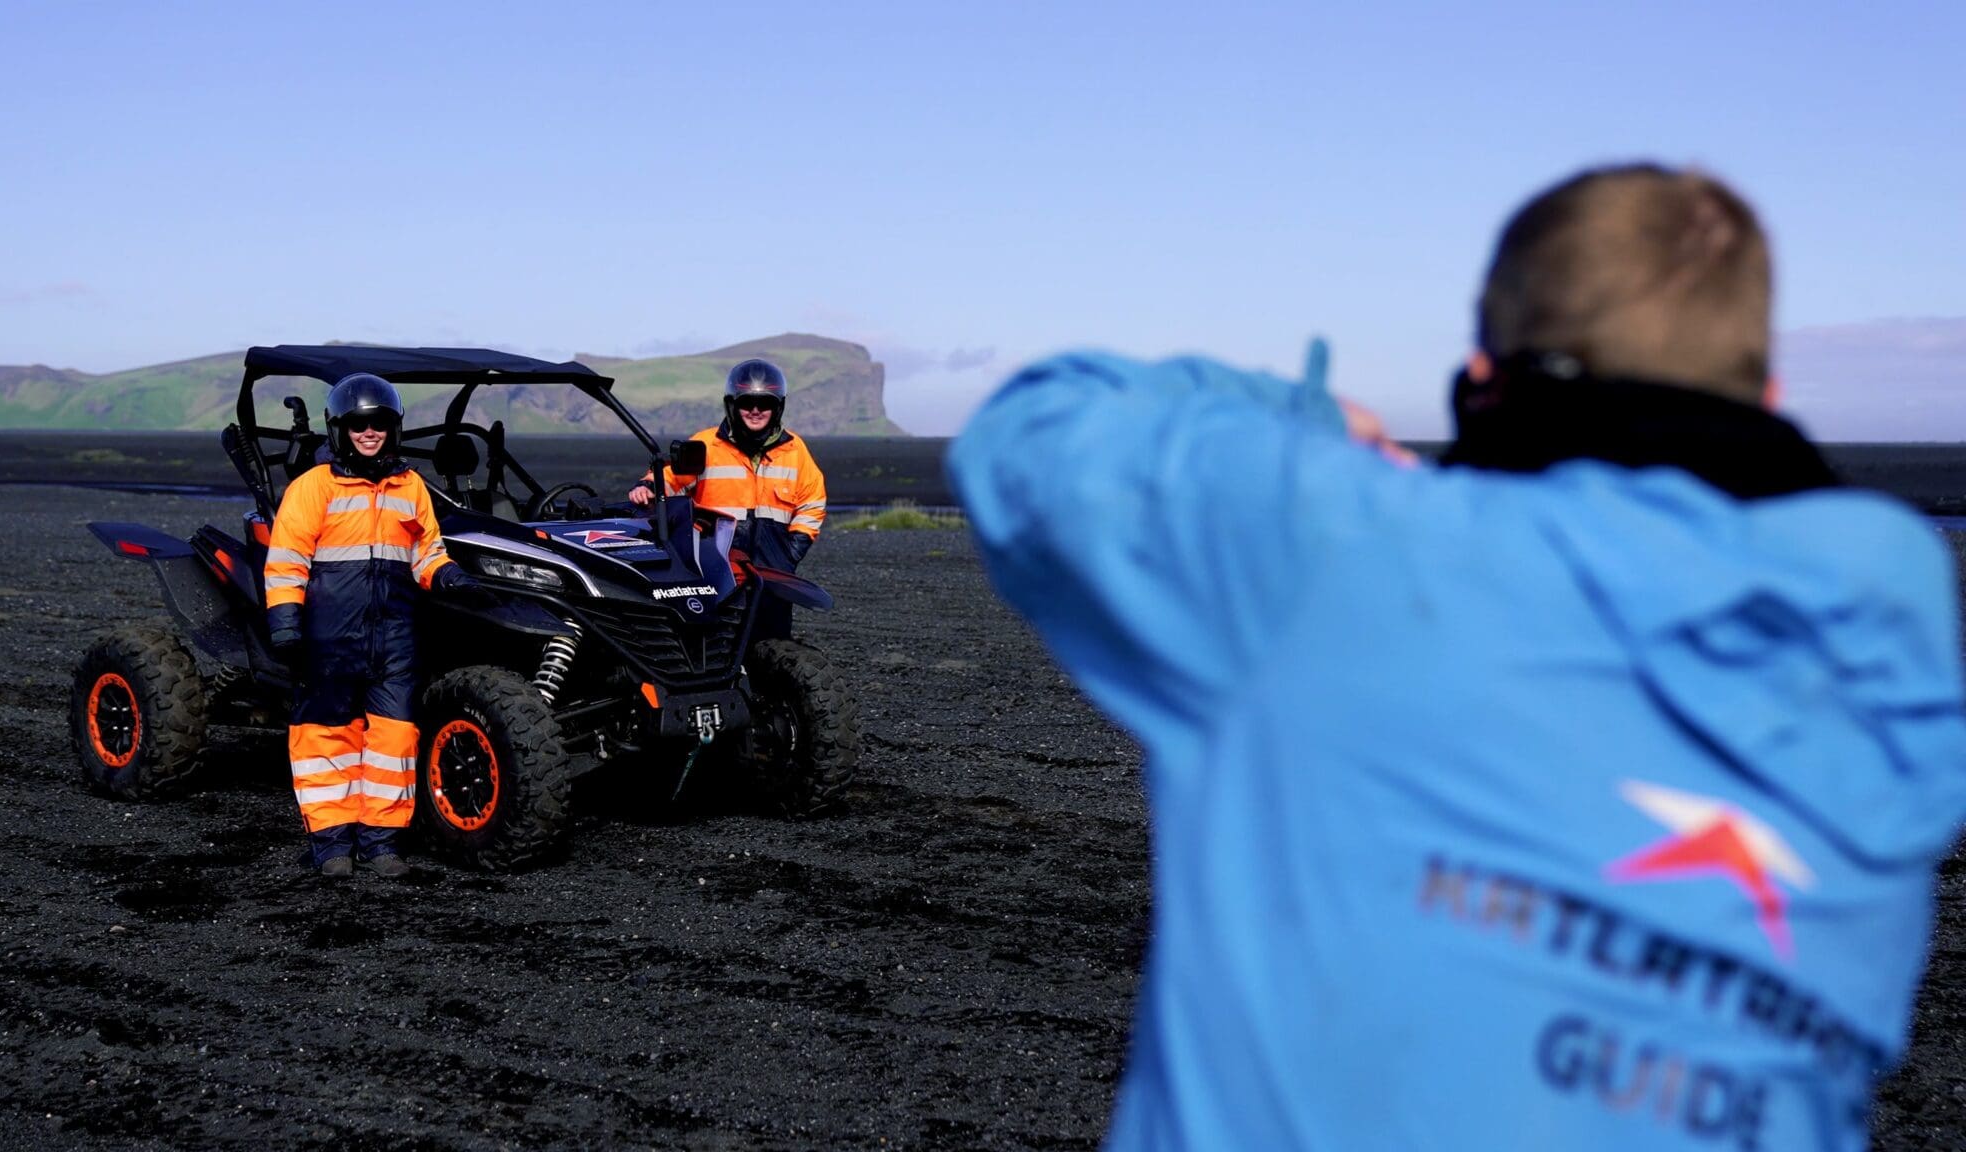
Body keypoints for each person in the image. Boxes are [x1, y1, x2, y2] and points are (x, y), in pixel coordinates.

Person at [948, 164, 1966, 1150]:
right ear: (1771, 391)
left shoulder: (1341, 558)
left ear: (1484, 376)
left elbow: (1033, 436)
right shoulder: (1885, 683)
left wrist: (1310, 426)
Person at [263, 372, 478, 879]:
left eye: (379, 424)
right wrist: (286, 624)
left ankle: (381, 844)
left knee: (394, 741)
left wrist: (447, 578)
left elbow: (427, 552)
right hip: (330, 636)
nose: (369, 433)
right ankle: (331, 846)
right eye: (358, 425)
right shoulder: (313, 488)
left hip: (396, 636)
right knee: (325, 739)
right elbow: (287, 559)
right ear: (339, 429)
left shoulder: (412, 488)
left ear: (393, 428)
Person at [629, 358, 827, 636]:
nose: (755, 410)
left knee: (773, 643)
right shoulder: (707, 444)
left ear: (778, 407)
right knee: (712, 640)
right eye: (747, 402)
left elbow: (813, 501)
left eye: (765, 403)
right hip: (714, 564)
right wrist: (648, 488)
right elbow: (670, 477)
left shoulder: (795, 450)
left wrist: (793, 549)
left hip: (773, 569)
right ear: (732, 404)